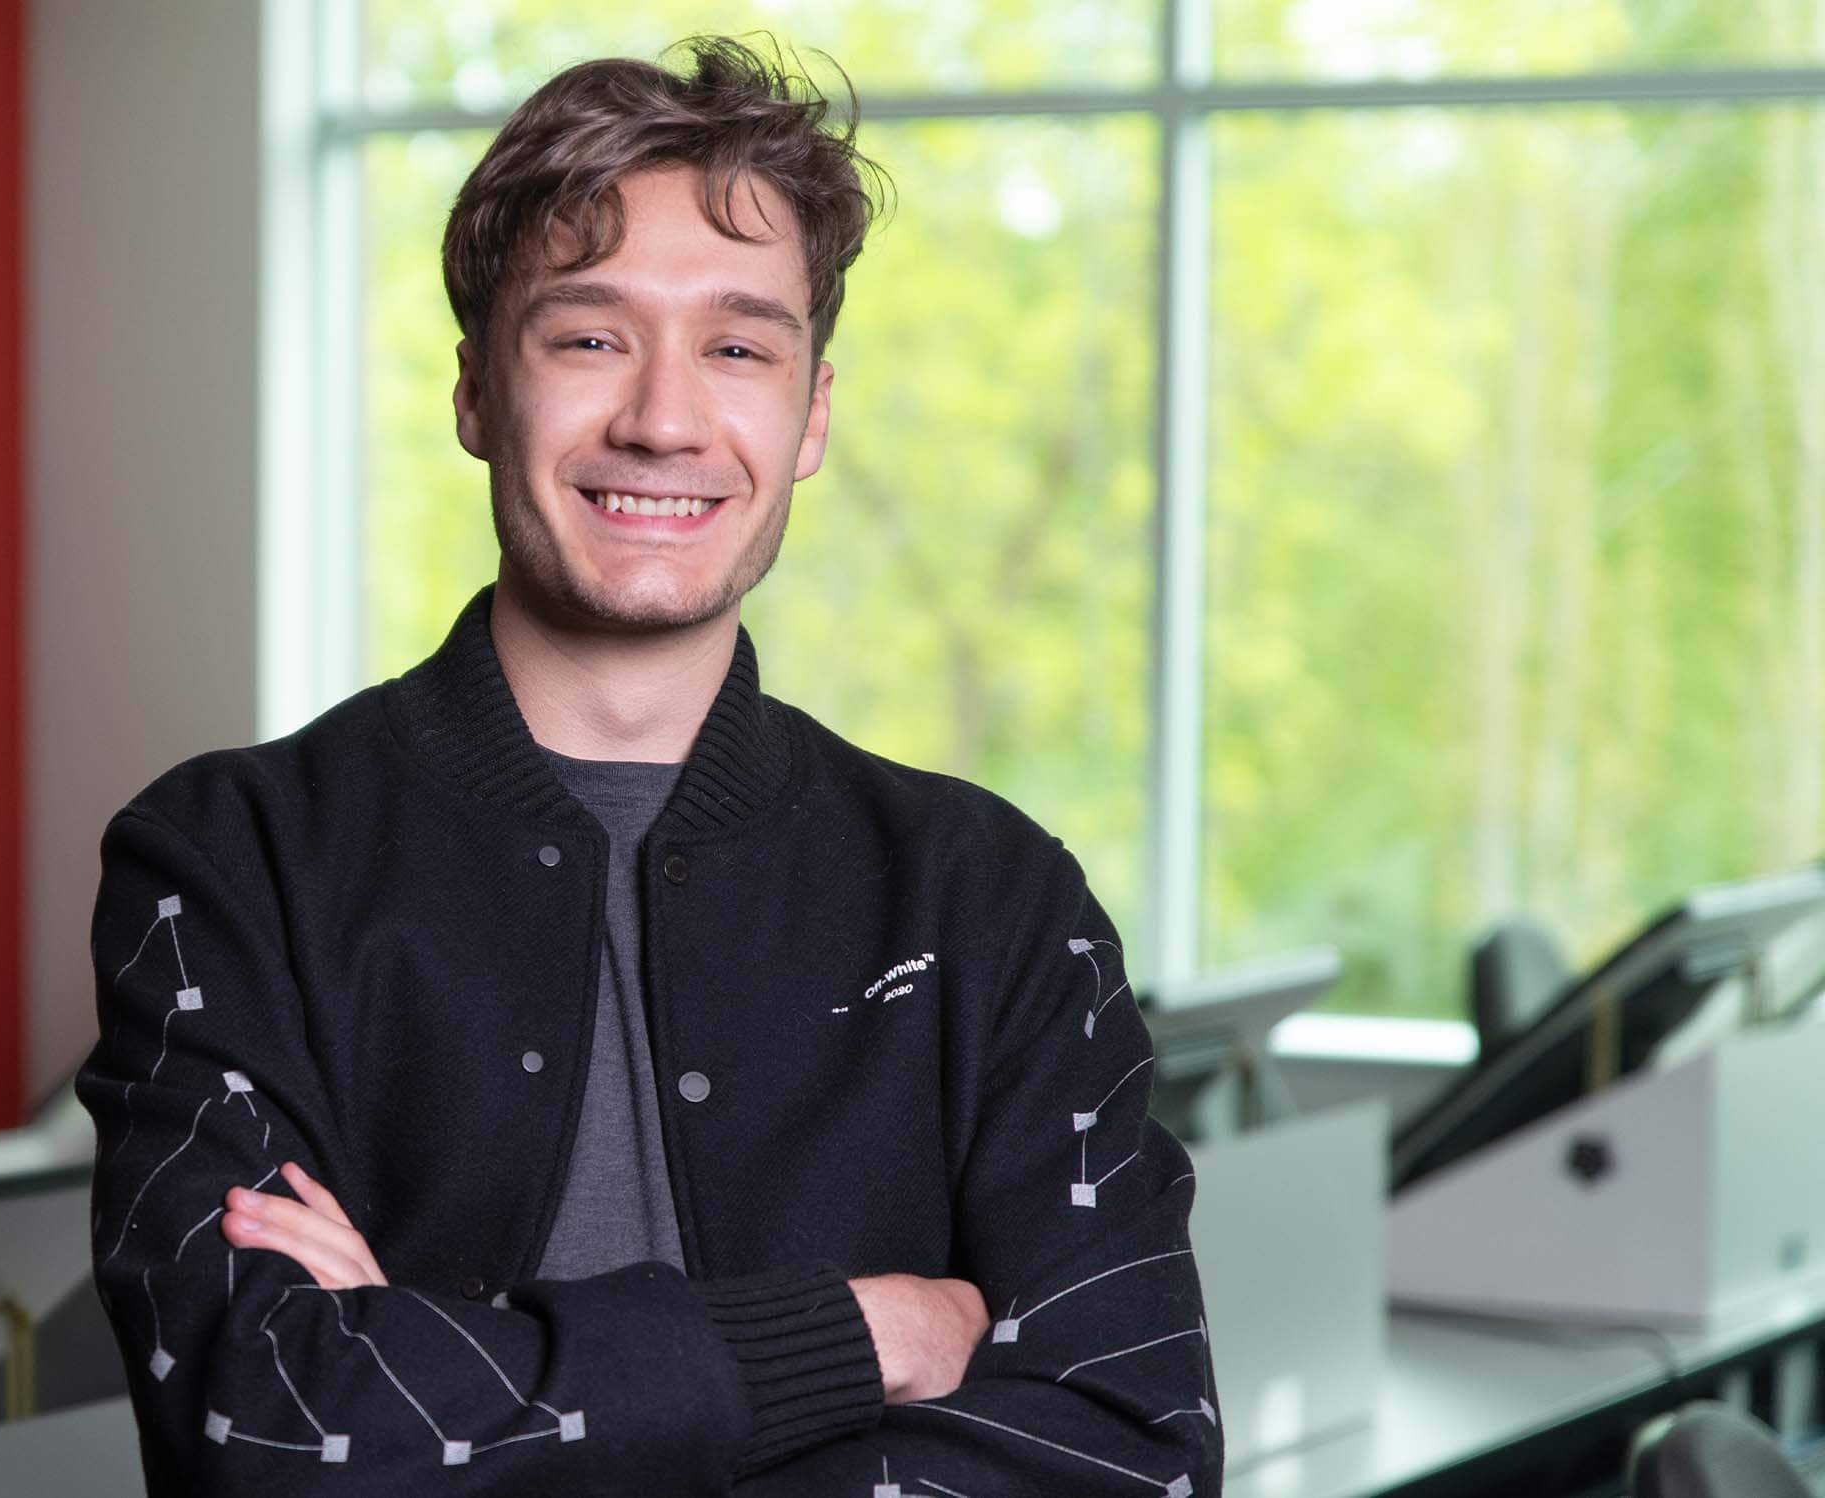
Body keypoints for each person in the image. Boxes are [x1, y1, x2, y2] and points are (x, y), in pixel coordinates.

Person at [77, 34, 1219, 1497]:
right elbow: (277, 1437)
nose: (664, 419)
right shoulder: (230, 861)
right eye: (589, 337)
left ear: (809, 416)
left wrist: (444, 1381)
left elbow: (1138, 1456)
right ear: (480, 392)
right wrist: (853, 1337)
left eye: (739, 346)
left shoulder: (991, 900)